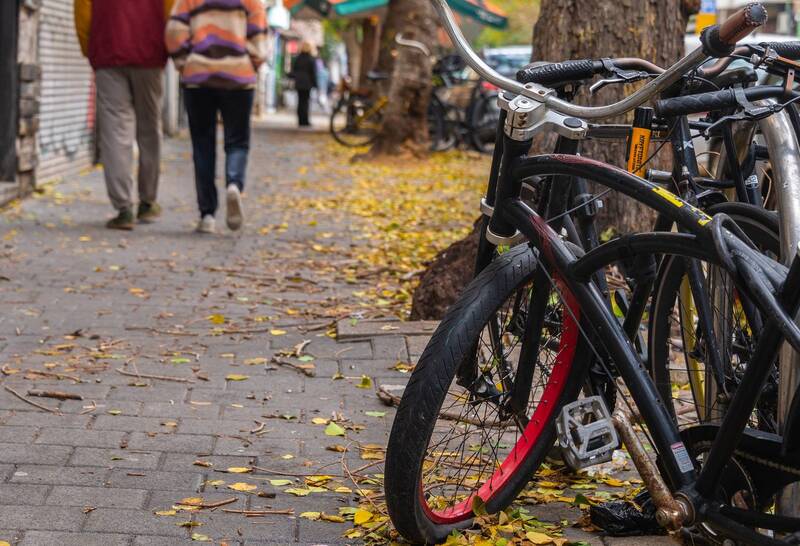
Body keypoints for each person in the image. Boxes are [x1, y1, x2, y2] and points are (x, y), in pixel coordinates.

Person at [165, 0, 267, 233]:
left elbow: (174, 31)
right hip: (238, 77)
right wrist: (251, 62)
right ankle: (234, 184)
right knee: (237, 141)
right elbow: (259, 33)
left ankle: (207, 215)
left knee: (202, 144)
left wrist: (185, 63)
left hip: (198, 78)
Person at [74, 0, 174, 230]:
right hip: (150, 55)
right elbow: (171, 12)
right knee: (149, 128)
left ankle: (123, 208)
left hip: (108, 53)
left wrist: (90, 48)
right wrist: (167, 49)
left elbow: (82, 14)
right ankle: (147, 202)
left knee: (115, 130)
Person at [290, 43, 317, 127]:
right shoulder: (311, 59)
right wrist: (315, 83)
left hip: (299, 82)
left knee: (300, 101)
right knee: (305, 102)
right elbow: (313, 72)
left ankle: (300, 120)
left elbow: (294, 69)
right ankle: (305, 120)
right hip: (307, 83)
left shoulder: (298, 58)